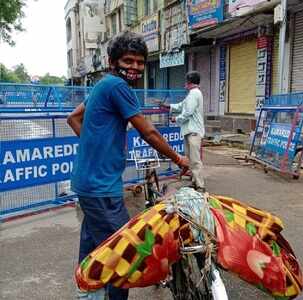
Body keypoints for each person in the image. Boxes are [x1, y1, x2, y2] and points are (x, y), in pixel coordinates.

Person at [67, 31, 189, 300]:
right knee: (125, 252)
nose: (134, 67)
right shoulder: (118, 87)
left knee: (93, 244)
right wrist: (179, 159)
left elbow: (74, 118)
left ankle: (88, 293)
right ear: (113, 62)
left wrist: (99, 146)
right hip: (101, 188)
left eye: (140, 62)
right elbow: (149, 133)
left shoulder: (103, 85)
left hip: (88, 184)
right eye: (128, 60)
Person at [162, 71, 205, 192]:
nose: (184, 84)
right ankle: (195, 182)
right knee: (190, 158)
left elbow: (188, 112)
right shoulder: (192, 94)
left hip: (193, 131)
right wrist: (169, 106)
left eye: (186, 81)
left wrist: (177, 118)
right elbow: (182, 105)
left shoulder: (194, 93)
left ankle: (200, 185)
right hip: (190, 131)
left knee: (195, 160)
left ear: (189, 82)